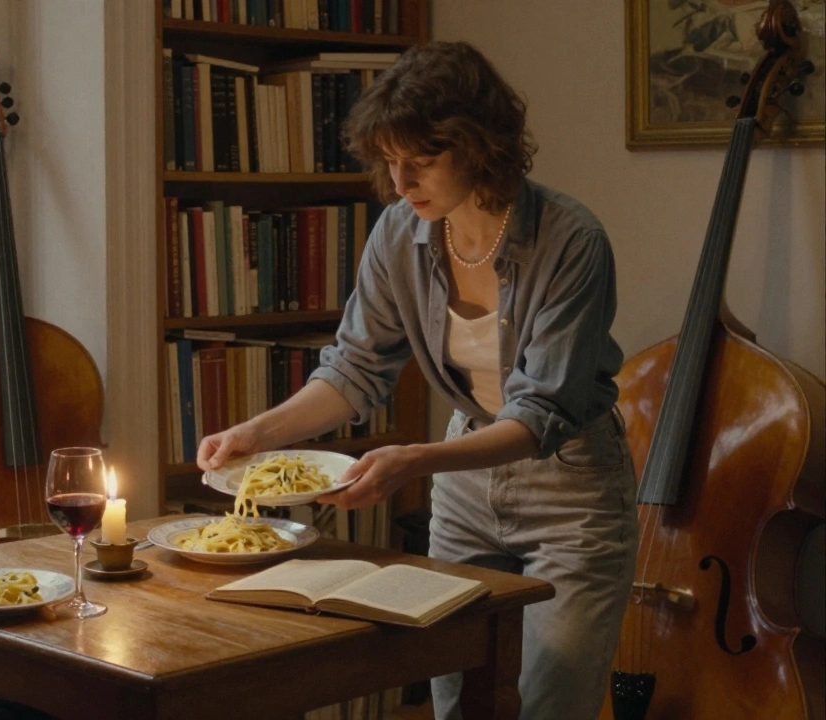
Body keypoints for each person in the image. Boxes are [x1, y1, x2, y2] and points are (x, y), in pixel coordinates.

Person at [197, 42, 636, 720]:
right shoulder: (400, 235)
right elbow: (353, 371)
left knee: (553, 703)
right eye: (388, 162)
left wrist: (415, 461)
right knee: (453, 698)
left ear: (479, 145)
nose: (400, 182)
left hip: (573, 484)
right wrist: (252, 434)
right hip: (463, 478)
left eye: (421, 161)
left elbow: (543, 413)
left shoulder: (572, 240)